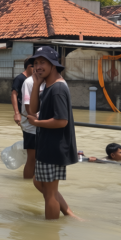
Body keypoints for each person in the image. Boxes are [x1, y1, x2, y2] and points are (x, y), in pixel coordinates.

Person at [26, 46, 79, 220]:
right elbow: (33, 110)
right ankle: (69, 215)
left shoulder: (57, 89)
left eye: (42, 62)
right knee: (39, 182)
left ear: (53, 65)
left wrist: (37, 123)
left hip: (54, 146)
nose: (38, 67)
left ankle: (51, 231)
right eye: (35, 63)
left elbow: (62, 121)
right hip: (47, 145)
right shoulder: (48, 86)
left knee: (50, 192)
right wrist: (36, 84)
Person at [20, 57, 39, 179]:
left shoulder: (46, 81)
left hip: (42, 125)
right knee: (32, 158)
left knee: (39, 158)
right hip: (31, 127)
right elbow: (29, 109)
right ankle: (26, 184)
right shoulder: (29, 82)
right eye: (36, 64)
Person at [12, 59, 35, 126]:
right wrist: (16, 113)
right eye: (34, 66)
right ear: (29, 67)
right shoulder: (19, 78)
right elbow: (14, 94)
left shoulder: (33, 79)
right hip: (24, 113)